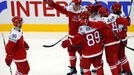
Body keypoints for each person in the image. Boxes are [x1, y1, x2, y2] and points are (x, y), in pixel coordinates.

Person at [43, 0, 85, 75]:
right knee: (71, 53)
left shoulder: (84, 11)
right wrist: (52, 4)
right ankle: (73, 69)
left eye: (79, 4)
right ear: (73, 4)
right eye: (76, 4)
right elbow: (60, 8)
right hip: (71, 37)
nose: (77, 6)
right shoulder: (69, 9)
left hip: (81, 37)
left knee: (82, 54)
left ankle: (82, 68)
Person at [88, 7, 129, 75]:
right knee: (116, 59)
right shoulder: (114, 16)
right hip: (117, 41)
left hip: (109, 44)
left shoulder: (102, 21)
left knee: (111, 62)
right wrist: (127, 20)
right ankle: (122, 72)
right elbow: (127, 22)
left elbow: (94, 25)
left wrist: (86, 22)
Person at [111, 2, 132, 75]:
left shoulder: (117, 17)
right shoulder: (121, 13)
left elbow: (126, 24)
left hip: (121, 39)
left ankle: (127, 71)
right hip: (122, 38)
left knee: (121, 56)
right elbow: (128, 23)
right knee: (120, 56)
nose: (112, 10)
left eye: (113, 9)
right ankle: (126, 70)